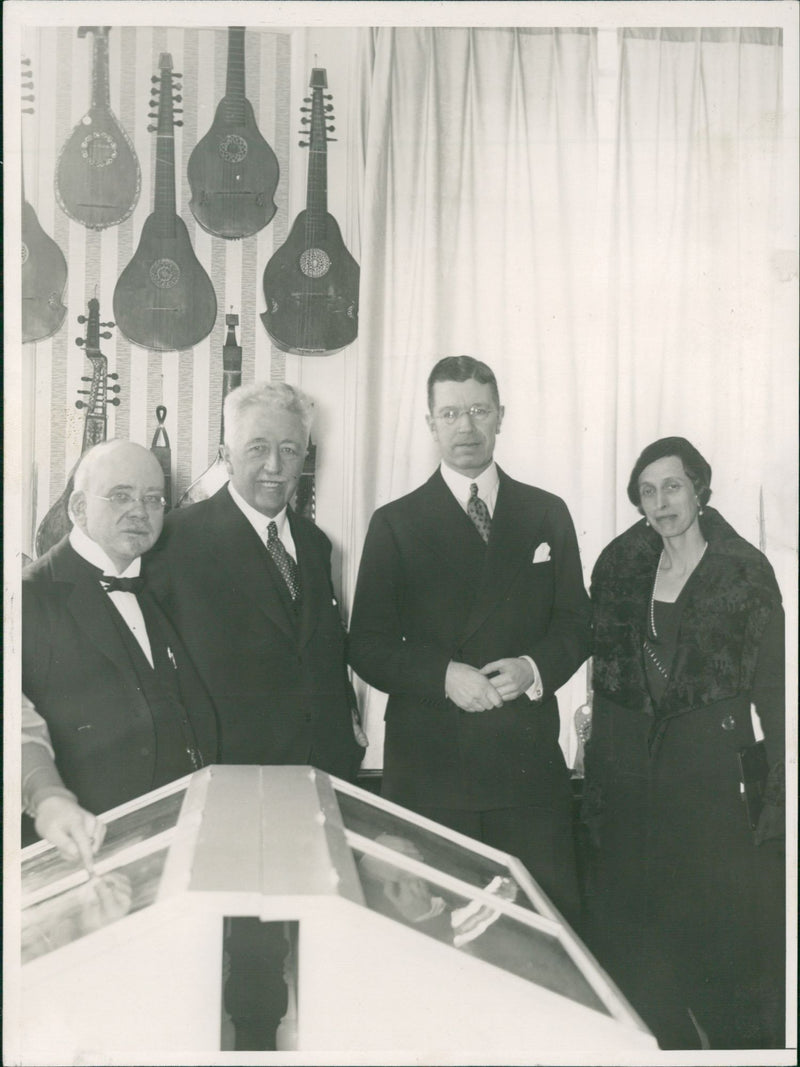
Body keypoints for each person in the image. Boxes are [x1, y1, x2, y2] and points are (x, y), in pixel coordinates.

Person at [144, 380, 364, 1049]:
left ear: (306, 456)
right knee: (238, 968)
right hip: (228, 784)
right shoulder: (175, 540)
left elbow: (319, 658)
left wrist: (346, 739)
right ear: (224, 450)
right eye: (258, 448)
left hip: (314, 779)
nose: (274, 465)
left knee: (308, 955)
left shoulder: (316, 542)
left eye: (289, 450)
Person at [349, 356, 592, 924]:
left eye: (479, 411)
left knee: (541, 932)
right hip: (433, 768)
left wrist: (533, 668)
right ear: (431, 423)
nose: (466, 427)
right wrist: (443, 675)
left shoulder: (545, 512)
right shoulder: (395, 522)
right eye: (451, 413)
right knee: (440, 936)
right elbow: (367, 644)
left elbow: (577, 622)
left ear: (500, 416)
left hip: (527, 765)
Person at [582, 436, 785, 1050]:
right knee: (638, 955)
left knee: (720, 958)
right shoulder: (620, 565)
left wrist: (777, 794)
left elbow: (774, 691)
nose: (661, 501)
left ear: (699, 488)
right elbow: (603, 667)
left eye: (672, 485)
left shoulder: (745, 571)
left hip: (708, 789)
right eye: (647, 491)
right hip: (629, 788)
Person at [22, 440, 219, 861]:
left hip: (170, 836)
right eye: (120, 496)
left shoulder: (163, 586)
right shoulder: (27, 596)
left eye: (153, 499)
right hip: (79, 851)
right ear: (78, 508)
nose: (140, 511)